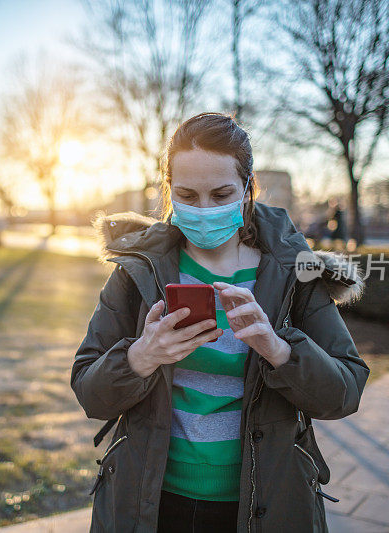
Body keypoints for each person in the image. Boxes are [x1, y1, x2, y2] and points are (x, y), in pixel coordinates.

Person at [71, 112, 370, 533]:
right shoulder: (136, 271)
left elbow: (345, 393)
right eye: (187, 195)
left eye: (221, 193)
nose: (204, 209)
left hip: (266, 503)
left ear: (248, 188)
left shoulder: (294, 272)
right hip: (148, 503)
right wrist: (140, 357)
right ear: (169, 190)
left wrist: (278, 349)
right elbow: (89, 391)